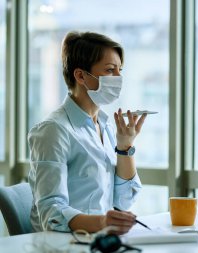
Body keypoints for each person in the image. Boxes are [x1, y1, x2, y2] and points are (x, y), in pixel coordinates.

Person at [28, 31, 147, 235]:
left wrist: (125, 147)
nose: (119, 78)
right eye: (110, 70)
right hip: (67, 245)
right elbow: (51, 214)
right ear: (81, 75)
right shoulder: (53, 131)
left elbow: (124, 200)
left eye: (120, 70)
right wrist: (102, 222)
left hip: (100, 241)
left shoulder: (106, 127)